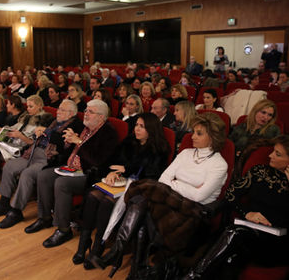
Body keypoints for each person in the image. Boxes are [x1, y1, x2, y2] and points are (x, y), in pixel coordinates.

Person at [95, 112, 228, 278]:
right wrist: (182, 185)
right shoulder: (186, 153)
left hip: (191, 212)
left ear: (214, 137)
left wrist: (175, 183)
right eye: (193, 131)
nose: (192, 136)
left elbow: (199, 196)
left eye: (199, 133)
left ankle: (118, 252)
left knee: (144, 192)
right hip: (166, 201)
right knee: (142, 204)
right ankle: (134, 270)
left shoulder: (219, 164)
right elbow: (164, 178)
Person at [184, 135, 289, 279]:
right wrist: (247, 213)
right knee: (230, 257)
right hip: (249, 232)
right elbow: (230, 194)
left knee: (234, 235)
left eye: (278, 154)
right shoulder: (259, 171)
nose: (270, 155)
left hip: (275, 244)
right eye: (273, 151)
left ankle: (192, 277)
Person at [73, 113, 170, 270]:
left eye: (141, 126)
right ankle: (84, 243)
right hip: (120, 183)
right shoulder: (129, 141)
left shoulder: (159, 148)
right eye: (136, 125)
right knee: (92, 196)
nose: (136, 129)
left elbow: (153, 174)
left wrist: (126, 169)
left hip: (139, 188)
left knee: (106, 202)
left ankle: (98, 246)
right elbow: (113, 162)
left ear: (151, 129)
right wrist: (112, 172)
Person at [26, 100, 119, 248]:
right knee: (44, 176)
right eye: (86, 110)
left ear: (101, 117)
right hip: (69, 167)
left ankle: (63, 229)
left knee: (62, 183)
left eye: (90, 112)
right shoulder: (86, 127)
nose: (86, 114)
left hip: (89, 174)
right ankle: (44, 218)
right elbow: (67, 150)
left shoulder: (108, 133)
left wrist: (79, 141)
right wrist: (69, 140)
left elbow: (97, 160)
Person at [0, 100, 84, 228]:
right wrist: (39, 134)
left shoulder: (75, 125)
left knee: (27, 174)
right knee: (10, 166)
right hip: (33, 151)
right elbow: (40, 136)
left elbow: (64, 145)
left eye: (62, 110)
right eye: (59, 109)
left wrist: (47, 132)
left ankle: (16, 211)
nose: (58, 112)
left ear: (71, 113)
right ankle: (4, 203)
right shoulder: (54, 122)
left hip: (48, 158)